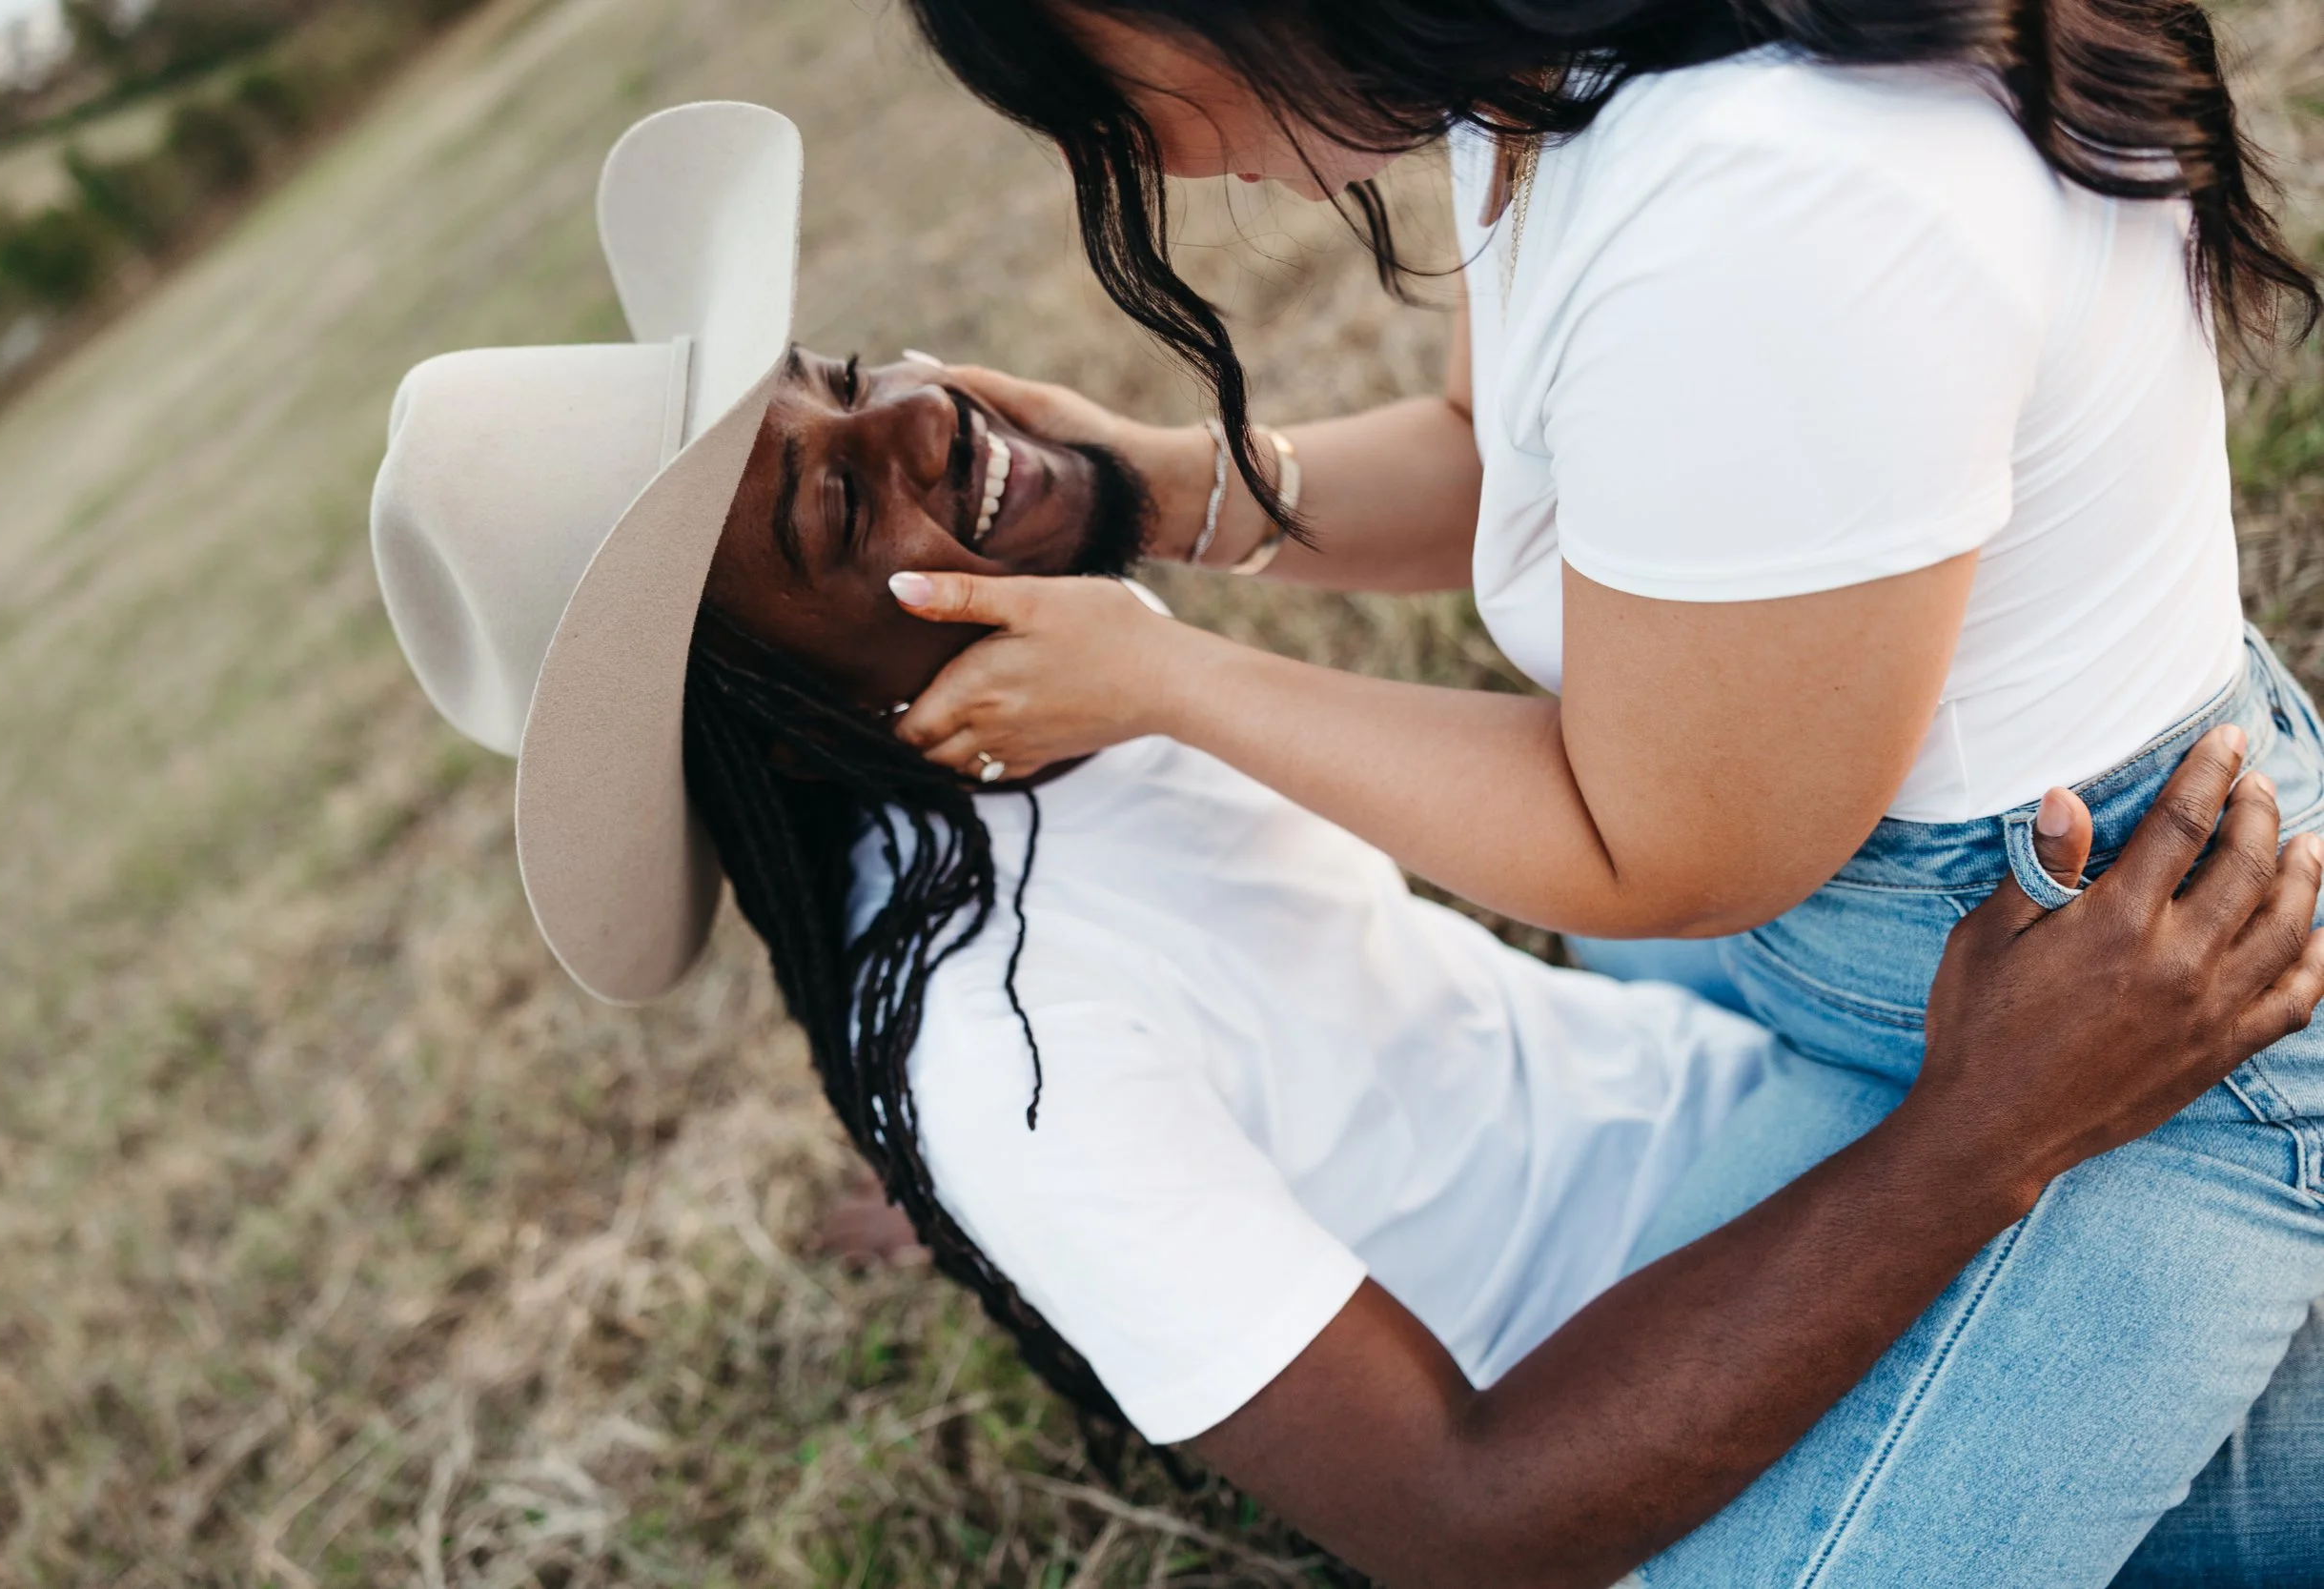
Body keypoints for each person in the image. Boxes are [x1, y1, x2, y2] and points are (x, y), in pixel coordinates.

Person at [372, 104, 2324, 1589]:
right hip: (1704, 1374)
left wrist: (1142, 508)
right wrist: (1976, 1133)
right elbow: (1458, 1515)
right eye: (823, 504)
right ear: (775, 732)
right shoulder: (1002, 1049)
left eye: (836, 369)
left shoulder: (1031, 700)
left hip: (1733, 1104)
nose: (911, 413)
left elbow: (1550, 674)